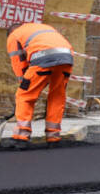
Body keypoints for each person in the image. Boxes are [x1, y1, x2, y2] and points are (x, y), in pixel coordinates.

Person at [5, 21, 74, 149]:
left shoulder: (14, 35)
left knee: (24, 95)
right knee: (57, 96)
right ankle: (53, 137)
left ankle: (21, 137)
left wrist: (24, 84)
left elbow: (18, 63)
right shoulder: (42, 27)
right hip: (66, 57)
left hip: (42, 58)